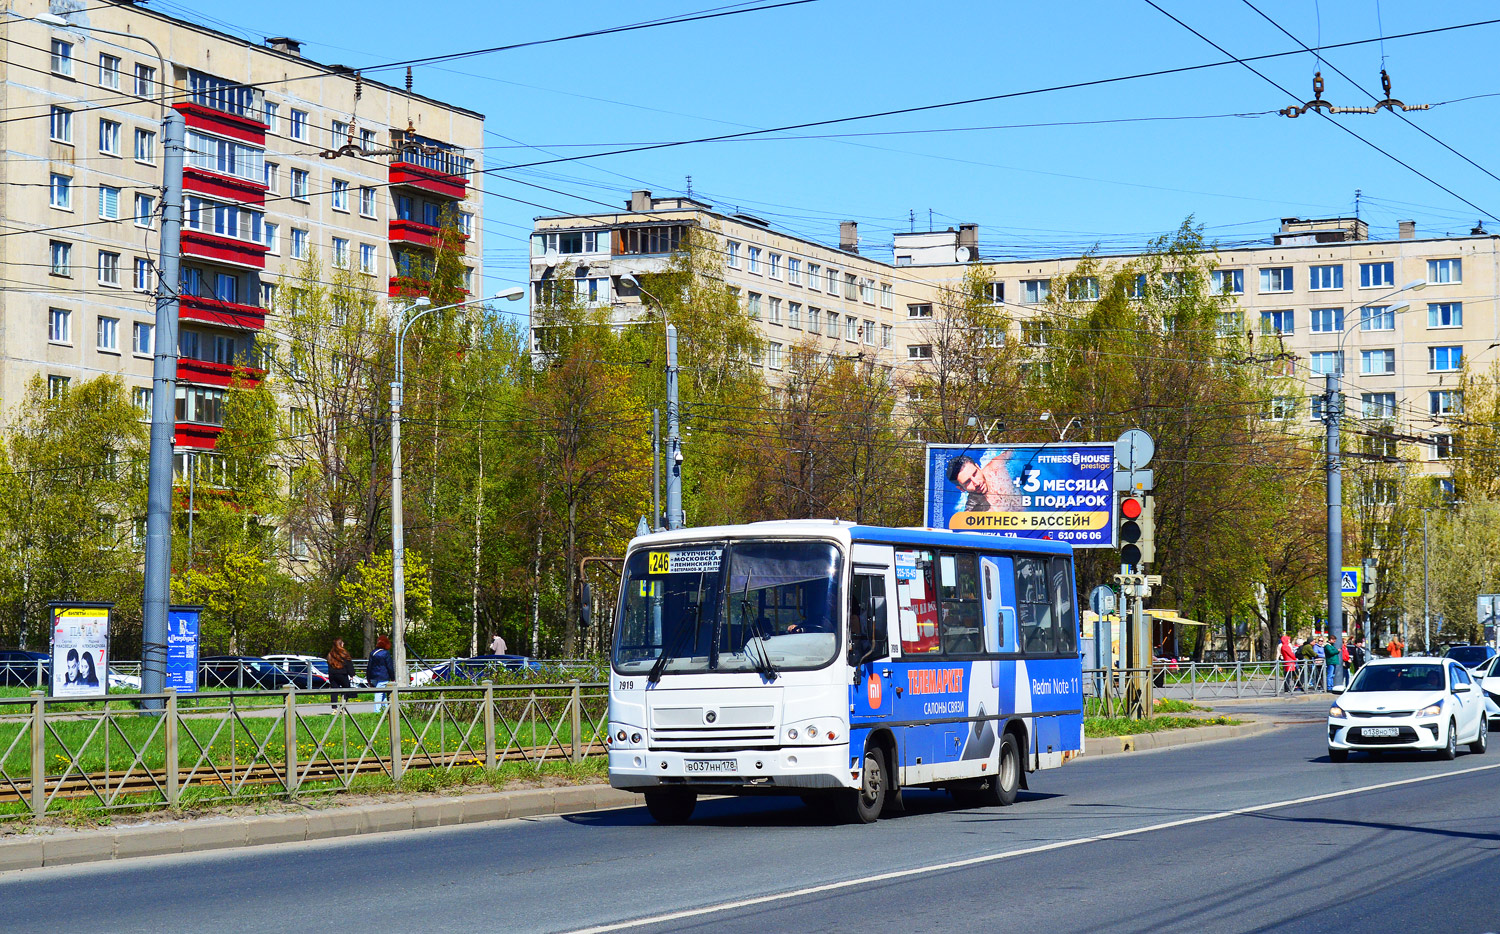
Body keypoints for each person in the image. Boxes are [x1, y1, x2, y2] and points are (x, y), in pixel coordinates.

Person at [946, 452, 1023, 513]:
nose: (976, 483)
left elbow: (1018, 451)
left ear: (978, 467)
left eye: (975, 473)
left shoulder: (996, 466)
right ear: (961, 489)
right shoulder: (974, 509)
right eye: (968, 482)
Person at [368, 635, 395, 715]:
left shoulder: (373, 653)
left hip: (373, 676)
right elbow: (389, 667)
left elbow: (369, 666)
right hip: (383, 677)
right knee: (379, 693)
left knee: (382, 694)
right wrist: (393, 677)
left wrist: (368, 678)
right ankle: (377, 712)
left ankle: (386, 710)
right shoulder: (386, 653)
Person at [326, 638, 354, 706]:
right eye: (342, 642)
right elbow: (348, 664)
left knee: (334, 691)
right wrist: (352, 674)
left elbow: (329, 664)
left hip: (333, 674)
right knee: (346, 689)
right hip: (342, 674)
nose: (344, 644)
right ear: (340, 644)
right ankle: (342, 706)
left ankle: (334, 708)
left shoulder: (330, 654)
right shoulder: (344, 653)